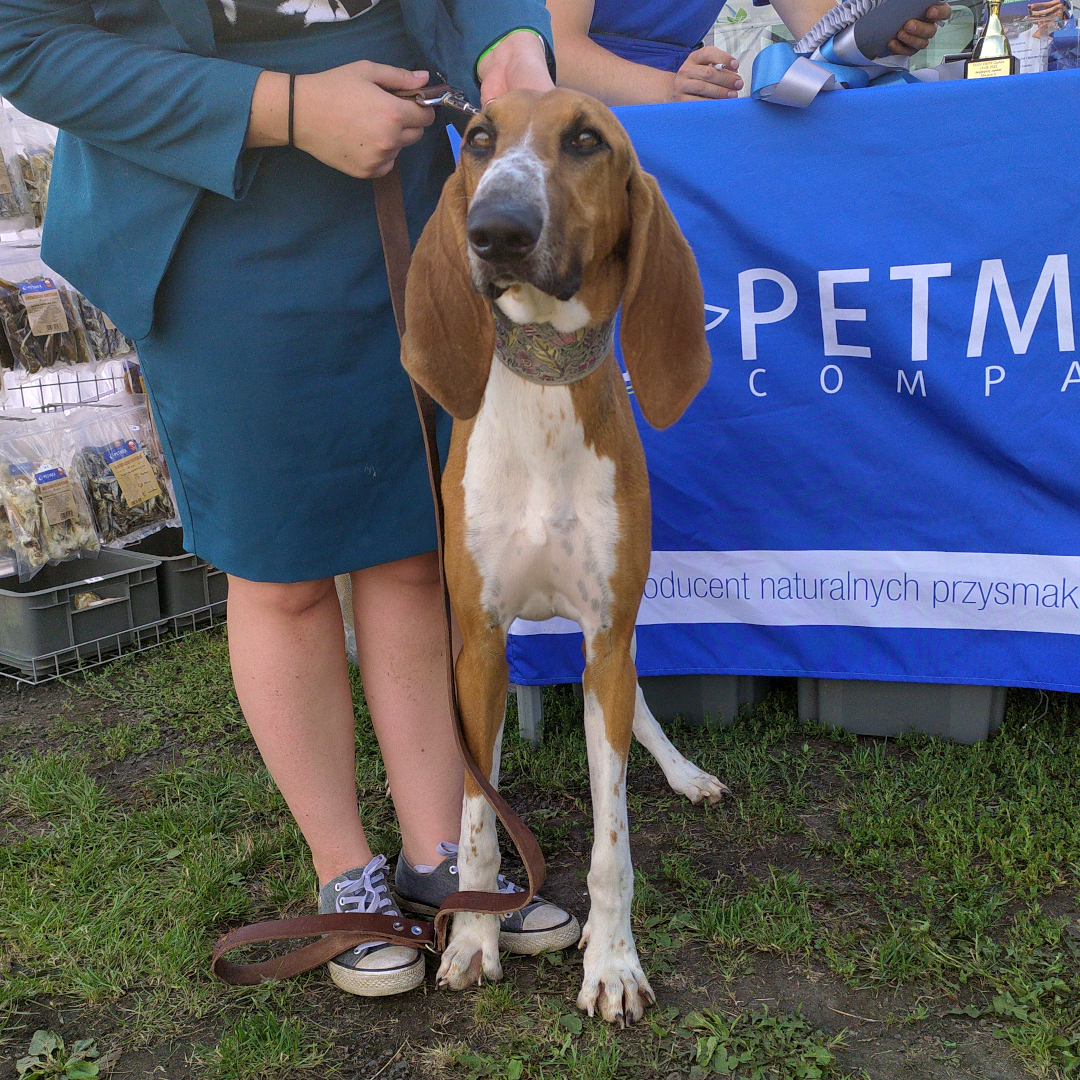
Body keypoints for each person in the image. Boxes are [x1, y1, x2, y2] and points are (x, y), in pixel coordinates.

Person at [0, 0, 580, 999]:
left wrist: (510, 49)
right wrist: (287, 108)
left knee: (413, 545)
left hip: (406, 181)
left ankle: (442, 851)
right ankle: (344, 870)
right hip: (207, 196)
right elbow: (23, 35)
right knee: (282, 569)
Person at [548, 0, 954, 105]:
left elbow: (824, 33)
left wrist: (881, 36)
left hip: (681, 114)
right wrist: (669, 89)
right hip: (571, 119)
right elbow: (556, 52)